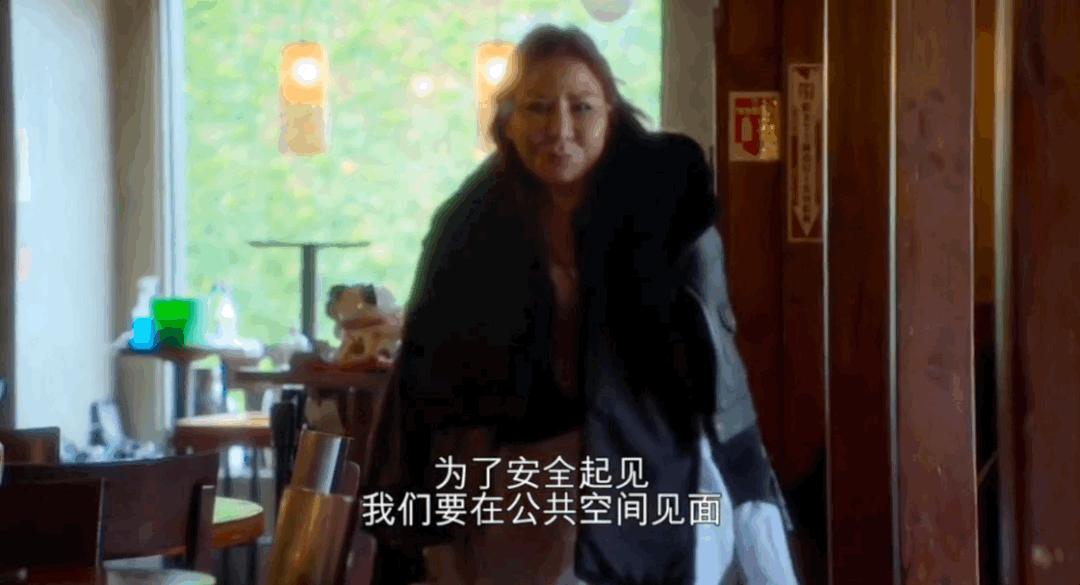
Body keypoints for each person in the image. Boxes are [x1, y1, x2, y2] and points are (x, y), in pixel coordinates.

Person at [364, 24, 799, 585]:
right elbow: (424, 388)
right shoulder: (467, 230)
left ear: (610, 114)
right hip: (518, 481)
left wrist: (749, 491)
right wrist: (424, 534)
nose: (560, 130)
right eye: (538, 108)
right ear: (509, 120)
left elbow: (718, 362)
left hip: (649, 463)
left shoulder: (667, 206)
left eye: (582, 107)